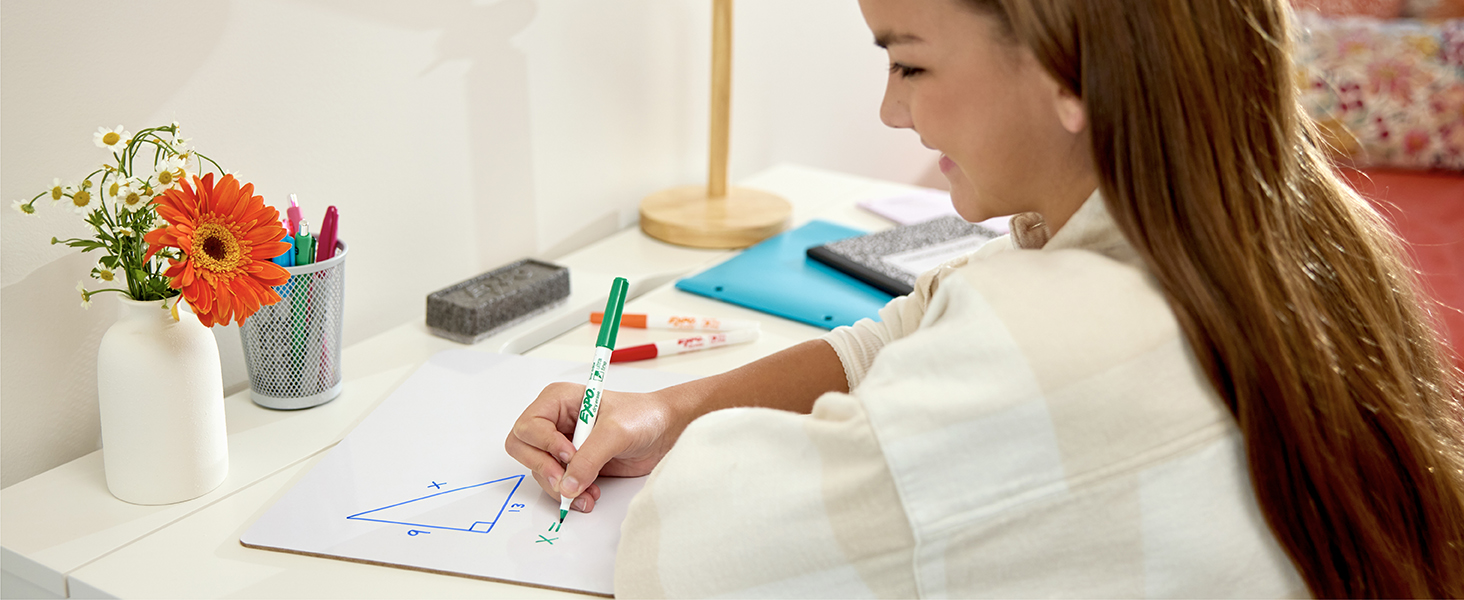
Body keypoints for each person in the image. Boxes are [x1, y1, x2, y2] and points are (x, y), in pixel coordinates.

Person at [507, 0, 1464, 596]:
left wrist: (708, 448)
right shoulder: (1285, 229)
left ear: (1069, 67)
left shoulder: (1059, 339)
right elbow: (913, 321)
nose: (890, 111)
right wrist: (670, 407)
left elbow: (698, 556)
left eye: (910, 62)